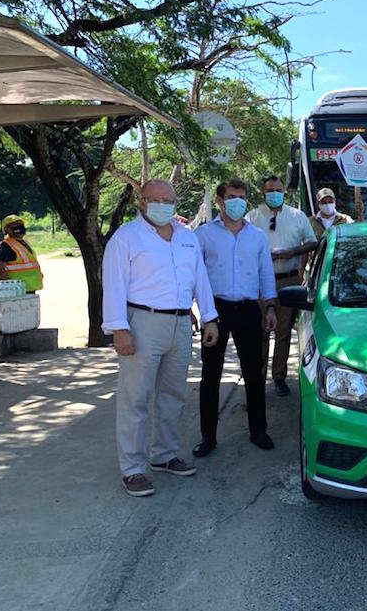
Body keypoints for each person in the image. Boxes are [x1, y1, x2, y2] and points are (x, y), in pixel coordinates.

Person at [102, 179, 219, 498]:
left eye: (168, 199)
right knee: (135, 397)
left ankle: (164, 455)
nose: (162, 204)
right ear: (141, 201)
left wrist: (209, 317)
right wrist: (118, 328)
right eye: (154, 199)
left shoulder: (186, 237)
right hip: (142, 322)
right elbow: (113, 284)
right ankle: (133, 469)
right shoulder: (126, 237)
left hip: (181, 324)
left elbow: (200, 279)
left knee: (173, 395)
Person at [193, 178, 278, 457]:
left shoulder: (257, 236)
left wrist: (270, 308)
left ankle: (258, 430)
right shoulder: (204, 235)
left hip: (249, 309)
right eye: (232, 196)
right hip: (215, 311)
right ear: (219, 200)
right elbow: (196, 276)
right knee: (211, 376)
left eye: (242, 196)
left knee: (254, 374)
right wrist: (204, 314)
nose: (237, 202)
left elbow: (266, 273)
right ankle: (208, 437)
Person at [246, 175, 317, 396]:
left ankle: (279, 377)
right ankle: (257, 378)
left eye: (278, 190)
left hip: (288, 281)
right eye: (270, 191)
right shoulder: (252, 217)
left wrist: (293, 252)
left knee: (283, 331)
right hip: (259, 282)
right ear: (263, 193)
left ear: (284, 191)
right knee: (260, 333)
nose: (274, 194)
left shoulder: (297, 216)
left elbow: (312, 241)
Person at [0, 214, 43, 292]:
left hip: (30, 288)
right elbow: (1, 269)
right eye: (15, 225)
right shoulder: (5, 246)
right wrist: (10, 289)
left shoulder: (25, 243)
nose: (20, 227)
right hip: (17, 291)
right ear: (7, 229)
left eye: (21, 225)